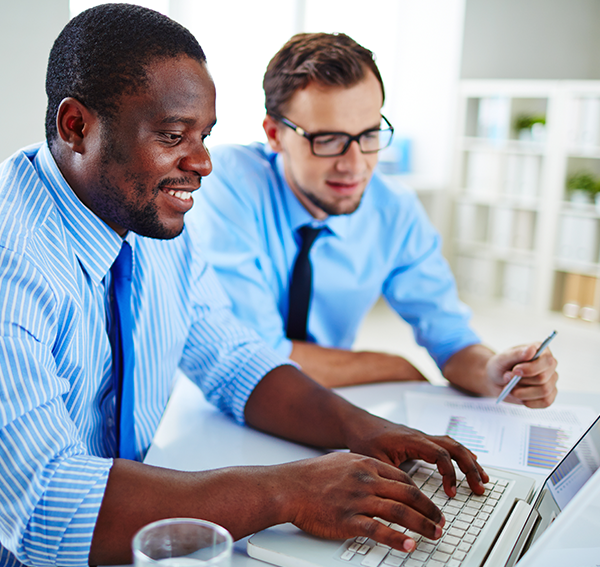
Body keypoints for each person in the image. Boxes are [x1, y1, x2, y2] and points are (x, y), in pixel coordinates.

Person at [0, 6, 492, 567]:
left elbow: (233, 358)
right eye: (173, 135)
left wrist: (367, 430)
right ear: (76, 127)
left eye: (204, 136)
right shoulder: (13, 265)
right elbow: (46, 508)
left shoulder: (145, 218)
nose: (203, 162)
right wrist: (289, 490)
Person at [190, 32, 558, 406]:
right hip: (220, 406)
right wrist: (393, 365)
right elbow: (258, 355)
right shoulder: (228, 183)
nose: (355, 165)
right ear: (274, 134)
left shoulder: (393, 210)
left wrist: (493, 372)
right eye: (328, 140)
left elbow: (450, 339)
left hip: (329, 400)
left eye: (368, 135)